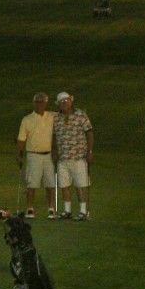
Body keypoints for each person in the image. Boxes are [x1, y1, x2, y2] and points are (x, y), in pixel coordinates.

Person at [52, 92, 93, 221]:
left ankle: (83, 212)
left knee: (80, 185)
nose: (64, 103)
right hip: (62, 158)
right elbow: (54, 136)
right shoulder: (56, 118)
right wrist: (54, 151)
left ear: (71, 101)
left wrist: (90, 151)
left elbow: (89, 132)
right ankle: (67, 211)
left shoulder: (80, 115)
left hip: (78, 157)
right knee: (64, 186)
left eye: (66, 100)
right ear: (58, 104)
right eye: (62, 102)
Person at [16, 92, 56, 220]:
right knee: (32, 183)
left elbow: (67, 116)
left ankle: (51, 208)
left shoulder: (53, 116)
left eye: (42, 102)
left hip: (49, 155)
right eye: (37, 102)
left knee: (50, 183)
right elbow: (21, 139)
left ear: (46, 103)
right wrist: (19, 154)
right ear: (34, 103)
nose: (40, 104)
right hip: (33, 155)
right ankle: (29, 208)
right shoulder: (27, 119)